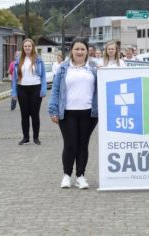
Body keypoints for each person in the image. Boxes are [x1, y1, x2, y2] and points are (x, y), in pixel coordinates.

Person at [49, 38, 98, 189]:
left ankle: (80, 176)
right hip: (68, 112)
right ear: (71, 50)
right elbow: (56, 90)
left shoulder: (94, 69)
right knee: (70, 144)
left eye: (83, 49)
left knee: (83, 145)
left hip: (89, 113)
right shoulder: (63, 69)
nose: (80, 52)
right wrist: (53, 110)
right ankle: (67, 175)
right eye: (77, 49)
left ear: (87, 51)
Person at [11, 38, 47, 145]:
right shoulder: (18, 61)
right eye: (25, 46)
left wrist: (43, 90)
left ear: (32, 47)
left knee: (35, 114)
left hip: (36, 88)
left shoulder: (39, 60)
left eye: (29, 46)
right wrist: (14, 92)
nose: (27, 48)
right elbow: (14, 78)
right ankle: (25, 137)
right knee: (24, 115)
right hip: (22, 89)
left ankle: (36, 137)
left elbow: (44, 76)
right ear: (23, 47)